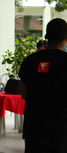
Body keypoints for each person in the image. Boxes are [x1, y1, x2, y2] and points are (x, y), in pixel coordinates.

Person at [19, 18, 67, 153]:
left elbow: (24, 94)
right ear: (66, 37)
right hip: (62, 130)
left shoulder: (29, 61)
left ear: (46, 36)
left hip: (34, 130)